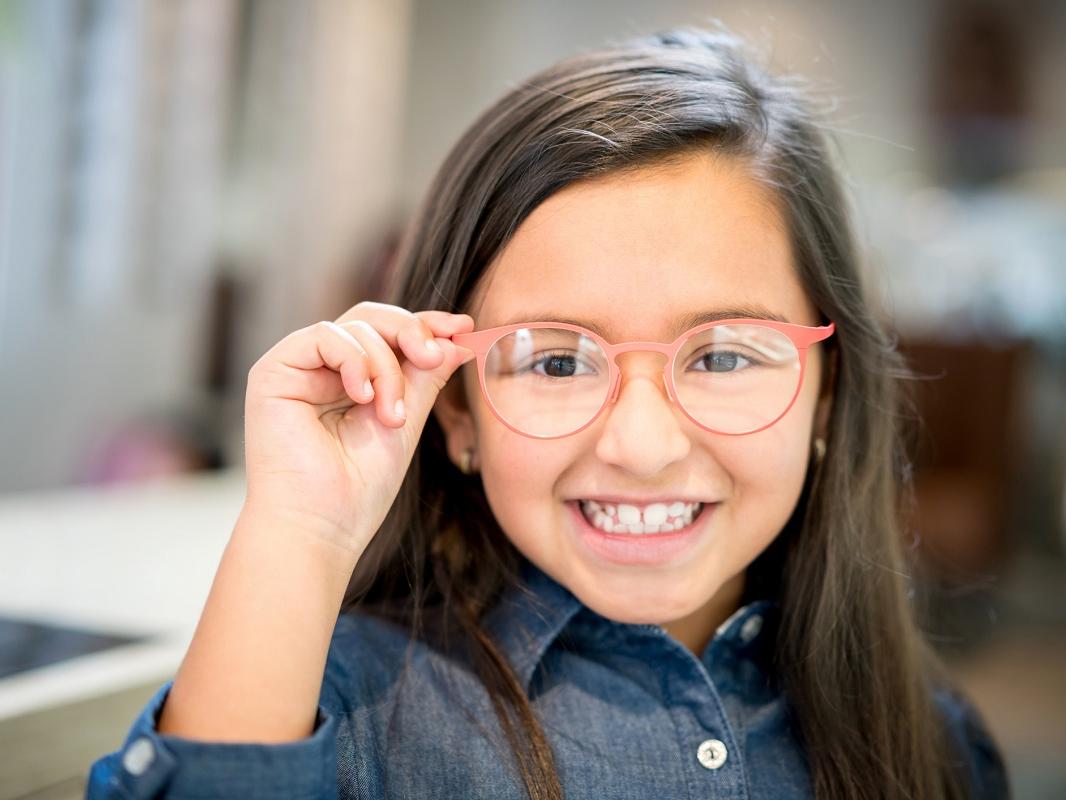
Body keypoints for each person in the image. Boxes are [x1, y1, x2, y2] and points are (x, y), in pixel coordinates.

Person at [86, 25, 1010, 800]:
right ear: (456, 413)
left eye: (725, 354)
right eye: (557, 360)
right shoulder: (347, 711)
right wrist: (299, 528)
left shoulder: (931, 742)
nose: (643, 445)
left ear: (828, 392)